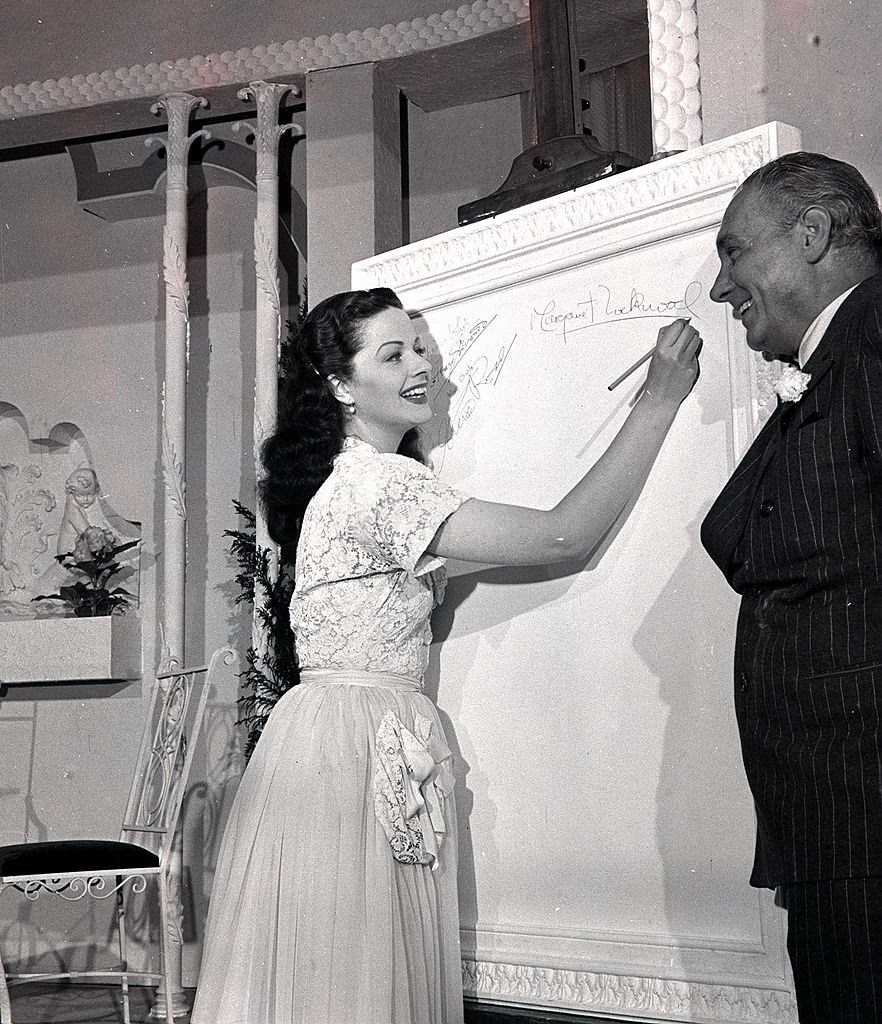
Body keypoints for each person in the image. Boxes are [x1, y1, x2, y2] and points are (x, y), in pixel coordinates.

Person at [191, 287, 700, 1024]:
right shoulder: (383, 483)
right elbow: (564, 536)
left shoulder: (347, 483)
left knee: (330, 970)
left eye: (420, 347)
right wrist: (656, 401)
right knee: (358, 971)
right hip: (358, 742)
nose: (420, 364)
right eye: (392, 354)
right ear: (340, 387)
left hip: (324, 736)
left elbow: (469, 560)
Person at [701, 152, 882, 1023]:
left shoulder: (878, 336)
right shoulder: (833, 358)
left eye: (733, 253)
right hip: (834, 819)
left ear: (812, 234)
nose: (719, 287)